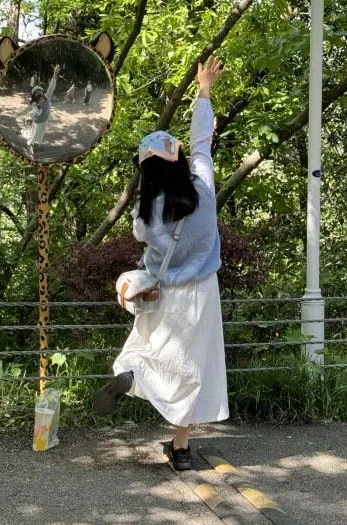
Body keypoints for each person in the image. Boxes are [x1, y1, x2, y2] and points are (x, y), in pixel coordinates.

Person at [93, 57, 228, 471]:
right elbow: (202, 142)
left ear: (145, 172)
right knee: (192, 367)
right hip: (201, 294)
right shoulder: (203, 191)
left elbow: (140, 240)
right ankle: (182, 449)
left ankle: (134, 376)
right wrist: (203, 90)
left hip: (162, 294)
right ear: (178, 161)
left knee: (147, 350)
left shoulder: (147, 215)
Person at [27, 64, 60, 148]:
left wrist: (55, 75)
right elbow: (37, 113)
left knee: (41, 133)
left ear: (42, 91)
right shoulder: (34, 103)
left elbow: (51, 87)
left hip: (45, 120)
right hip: (37, 121)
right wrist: (40, 105)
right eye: (36, 93)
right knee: (35, 133)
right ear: (34, 95)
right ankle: (31, 144)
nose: (38, 93)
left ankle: (38, 143)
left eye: (40, 91)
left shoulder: (47, 96)